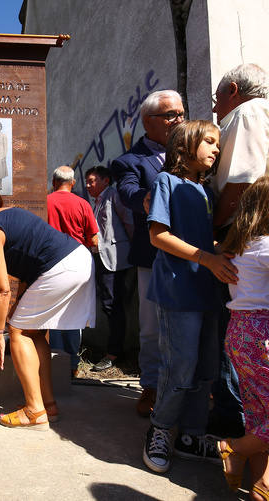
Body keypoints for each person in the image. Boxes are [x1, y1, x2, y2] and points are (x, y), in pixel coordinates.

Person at [0, 186, 95, 429]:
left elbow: (1, 289)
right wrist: (17, 307)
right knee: (32, 331)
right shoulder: (7, 213)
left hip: (61, 268)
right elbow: (27, 270)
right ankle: (48, 404)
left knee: (18, 332)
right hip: (78, 260)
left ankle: (34, 411)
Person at [142, 120, 238, 474]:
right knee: (178, 366)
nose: (217, 149)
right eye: (210, 142)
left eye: (218, 143)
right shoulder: (168, 182)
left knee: (206, 368)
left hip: (207, 291)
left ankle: (192, 435)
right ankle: (161, 428)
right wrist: (206, 257)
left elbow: (201, 240)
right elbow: (158, 236)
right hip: (179, 291)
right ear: (185, 146)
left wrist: (222, 251)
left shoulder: (204, 192)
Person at [110, 89, 185, 417]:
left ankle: (190, 388)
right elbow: (128, 193)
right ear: (148, 122)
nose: (178, 120)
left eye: (181, 113)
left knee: (192, 322)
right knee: (152, 326)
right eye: (170, 115)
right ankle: (151, 386)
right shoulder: (129, 161)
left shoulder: (194, 149)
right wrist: (151, 198)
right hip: (153, 255)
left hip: (197, 253)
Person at [208, 63, 269, 439]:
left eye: (217, 100)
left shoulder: (246, 112)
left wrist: (215, 231)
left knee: (235, 321)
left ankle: (237, 421)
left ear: (233, 90)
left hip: (242, 232)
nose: (216, 110)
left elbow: (241, 182)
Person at [217, 176, 269, 498]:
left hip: (239, 331)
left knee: (259, 411)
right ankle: (233, 449)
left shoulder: (238, 248)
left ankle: (260, 484)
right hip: (262, 333)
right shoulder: (265, 248)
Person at [46, 165, 99, 376]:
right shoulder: (83, 204)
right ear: (73, 183)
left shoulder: (45, 203)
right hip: (78, 263)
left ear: (53, 182)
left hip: (51, 263)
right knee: (74, 314)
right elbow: (94, 239)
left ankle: (56, 360)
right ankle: (72, 365)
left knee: (54, 314)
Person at [85, 166, 134, 372]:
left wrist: (131, 250)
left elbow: (129, 221)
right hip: (101, 258)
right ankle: (114, 350)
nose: (88, 185)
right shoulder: (95, 202)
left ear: (106, 181)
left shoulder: (113, 196)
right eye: (87, 181)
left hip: (114, 260)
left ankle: (114, 352)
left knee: (112, 305)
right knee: (108, 304)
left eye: (92, 181)